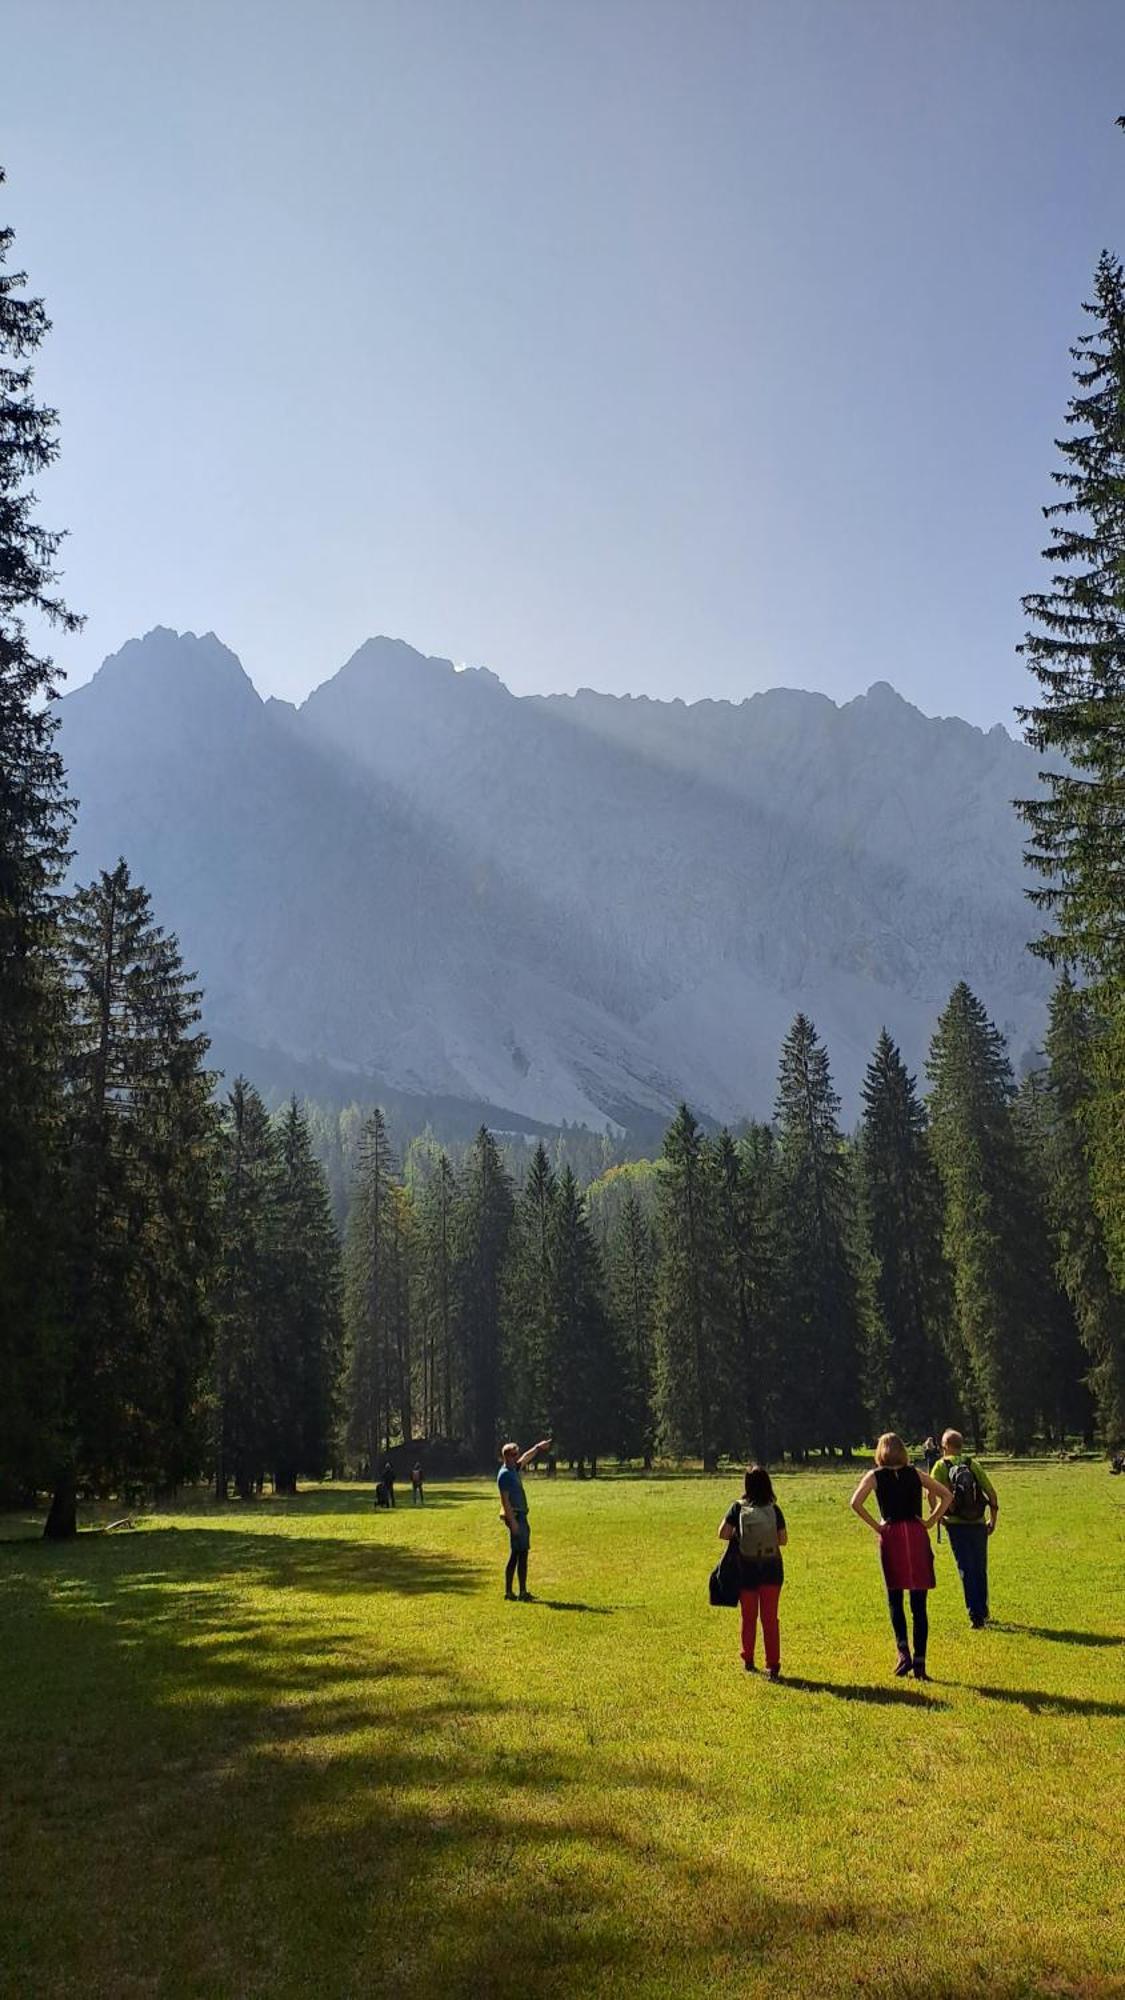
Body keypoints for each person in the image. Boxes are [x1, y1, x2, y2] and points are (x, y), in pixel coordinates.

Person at [850, 1433, 951, 1680]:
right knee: (919, 1603)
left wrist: (877, 1526)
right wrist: (930, 1521)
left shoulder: (875, 1476)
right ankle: (920, 1663)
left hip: (892, 1534)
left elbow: (855, 1502)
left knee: (895, 1596)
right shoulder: (914, 1474)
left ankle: (903, 1651)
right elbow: (946, 1495)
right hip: (916, 1535)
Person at [718, 1465, 788, 1679]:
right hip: (772, 1568)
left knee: (748, 1617)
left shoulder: (738, 1508)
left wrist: (742, 1537)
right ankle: (773, 1664)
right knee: (770, 1619)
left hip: (746, 1569)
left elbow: (722, 1533)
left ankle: (748, 1658)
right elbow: (783, 1540)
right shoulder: (774, 1509)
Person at [931, 1429, 999, 1628]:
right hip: (978, 1523)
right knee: (979, 1567)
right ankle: (983, 1610)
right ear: (962, 1445)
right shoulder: (972, 1464)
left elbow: (931, 1494)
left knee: (965, 1568)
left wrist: (938, 1517)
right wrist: (993, 1520)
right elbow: (992, 1494)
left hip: (956, 1524)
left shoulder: (940, 1466)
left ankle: (975, 1615)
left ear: (944, 1446)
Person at [497, 1437, 551, 1601]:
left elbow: (526, 1457)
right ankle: (512, 1592)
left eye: (517, 1454)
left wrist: (538, 1447)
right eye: (514, 1455)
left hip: (521, 1517)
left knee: (521, 1554)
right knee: (516, 1555)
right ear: (507, 1456)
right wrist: (512, 1522)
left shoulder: (513, 1469)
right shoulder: (505, 1475)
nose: (517, 1457)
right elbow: (504, 1501)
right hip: (516, 1517)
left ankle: (520, 1591)